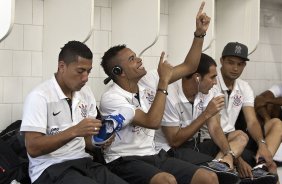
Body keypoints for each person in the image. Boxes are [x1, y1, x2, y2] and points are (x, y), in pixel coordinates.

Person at [99, 2, 221, 184]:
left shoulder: (147, 79)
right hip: (123, 159)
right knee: (167, 181)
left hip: (153, 153)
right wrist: (163, 81)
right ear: (119, 72)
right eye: (132, 59)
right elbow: (152, 122)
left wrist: (199, 33)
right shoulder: (111, 98)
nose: (139, 60)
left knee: (208, 177)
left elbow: (190, 66)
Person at [20, 41, 129, 184]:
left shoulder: (86, 93)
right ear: (62, 67)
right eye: (80, 71)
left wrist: (100, 141)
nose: (85, 78)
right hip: (50, 168)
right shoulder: (39, 96)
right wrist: (75, 131)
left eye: (88, 72)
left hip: (83, 161)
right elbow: (33, 148)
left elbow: (87, 142)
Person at [154, 53, 248, 184]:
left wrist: (231, 156)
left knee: (241, 136)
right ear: (197, 78)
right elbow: (174, 141)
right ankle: (219, 168)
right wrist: (206, 114)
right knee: (220, 177)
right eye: (212, 77)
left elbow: (215, 128)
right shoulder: (170, 95)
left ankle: (222, 165)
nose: (215, 82)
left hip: (195, 145)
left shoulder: (209, 91)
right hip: (171, 151)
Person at [215, 41, 278, 183]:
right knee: (241, 136)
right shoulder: (212, 82)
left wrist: (262, 144)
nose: (235, 68)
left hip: (236, 138)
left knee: (277, 125)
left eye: (240, 64)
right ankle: (225, 164)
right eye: (231, 62)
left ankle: (261, 164)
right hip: (215, 139)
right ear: (221, 61)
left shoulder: (244, 87)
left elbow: (252, 121)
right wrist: (239, 160)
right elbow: (214, 128)